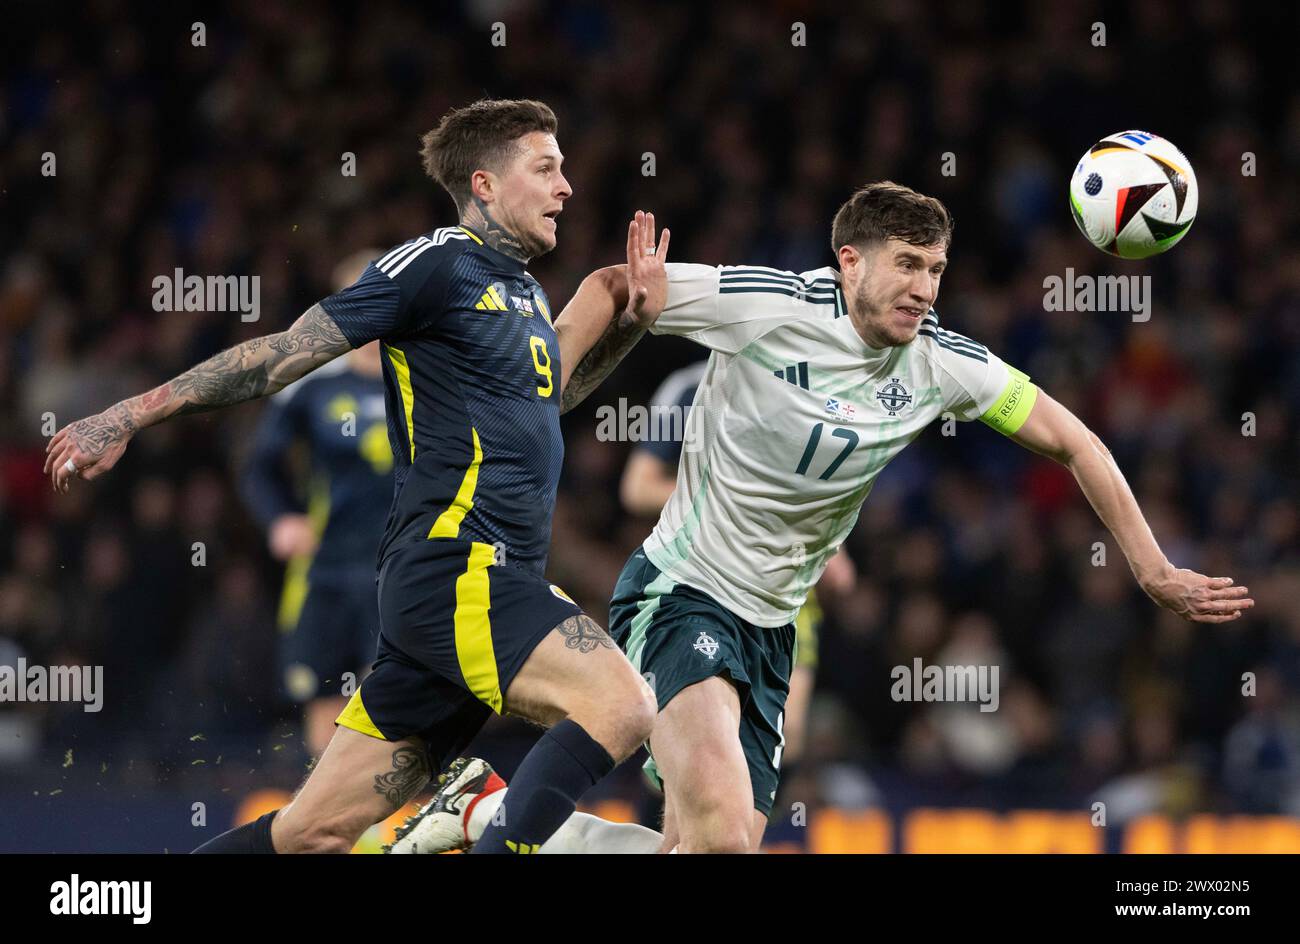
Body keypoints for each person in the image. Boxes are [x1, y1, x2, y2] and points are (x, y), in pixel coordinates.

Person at [399, 181, 1254, 854]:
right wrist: (528, 402)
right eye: (908, 265)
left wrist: (1150, 565)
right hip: (684, 593)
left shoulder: (939, 363)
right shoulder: (769, 307)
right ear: (850, 261)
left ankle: (487, 809)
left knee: (705, 848)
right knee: (725, 835)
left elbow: (1076, 440)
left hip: (777, 629)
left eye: (936, 270)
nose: (924, 289)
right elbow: (611, 285)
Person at [45, 98, 663, 854]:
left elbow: (550, 395)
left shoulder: (525, 292)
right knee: (623, 705)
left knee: (312, 832)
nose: (567, 186)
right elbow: (283, 353)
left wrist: (628, 321)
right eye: (546, 168)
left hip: (463, 592)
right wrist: (131, 415)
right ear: (486, 185)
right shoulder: (432, 264)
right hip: (460, 571)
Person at [240, 250, 391, 758]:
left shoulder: (426, 376)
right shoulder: (314, 381)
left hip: (399, 565)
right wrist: (280, 519)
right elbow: (260, 465)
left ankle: (390, 829)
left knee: (390, 699)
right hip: (325, 568)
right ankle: (336, 832)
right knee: (324, 704)